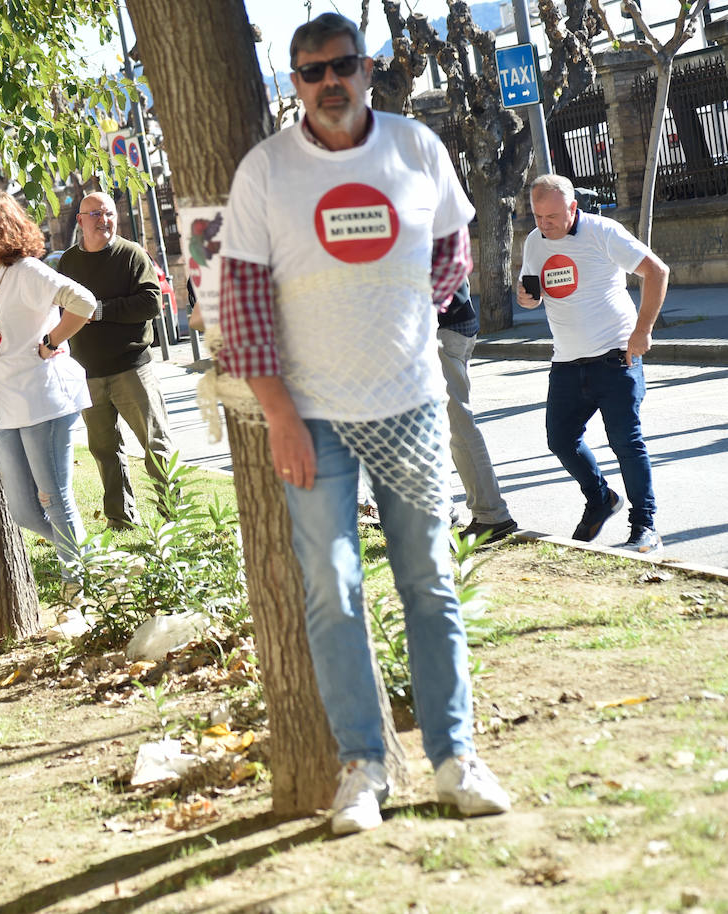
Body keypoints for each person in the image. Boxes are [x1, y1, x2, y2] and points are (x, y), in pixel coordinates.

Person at [219, 13, 510, 835]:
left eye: (342, 66)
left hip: (412, 402)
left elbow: (451, 249)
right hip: (312, 417)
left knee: (430, 582)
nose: (329, 83)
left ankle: (456, 757)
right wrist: (277, 415)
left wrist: (403, 315)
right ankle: (364, 767)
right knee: (333, 592)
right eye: (310, 73)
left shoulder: (417, 148)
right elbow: (240, 305)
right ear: (294, 84)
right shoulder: (268, 172)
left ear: (368, 68)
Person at [519, 173, 668, 553]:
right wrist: (527, 300)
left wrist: (643, 331)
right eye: (537, 216)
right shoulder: (534, 243)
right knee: (560, 440)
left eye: (551, 216)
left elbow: (657, 271)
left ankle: (645, 526)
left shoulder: (604, 232)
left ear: (573, 207)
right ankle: (600, 499)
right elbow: (533, 293)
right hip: (567, 362)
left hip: (615, 358)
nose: (543, 224)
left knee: (625, 442)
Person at [0, 189, 98, 594]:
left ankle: (79, 586)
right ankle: (92, 560)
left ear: (1, 232)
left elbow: (84, 302)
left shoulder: (26, 272)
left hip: (44, 399)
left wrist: (52, 341)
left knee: (55, 499)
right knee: (22, 508)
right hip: (7, 406)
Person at [57, 191, 175, 529]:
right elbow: (61, 309)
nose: (103, 220)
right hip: (88, 374)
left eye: (108, 213)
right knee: (105, 451)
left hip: (132, 369)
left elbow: (151, 303)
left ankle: (173, 514)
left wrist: (102, 310)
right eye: (94, 214)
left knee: (156, 445)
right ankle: (120, 519)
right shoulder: (68, 262)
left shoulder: (132, 255)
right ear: (80, 221)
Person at [438, 279, 517, 543]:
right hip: (451, 324)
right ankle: (444, 509)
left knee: (458, 425)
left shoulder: (423, 235)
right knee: (441, 426)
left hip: (439, 328)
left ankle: (492, 516)